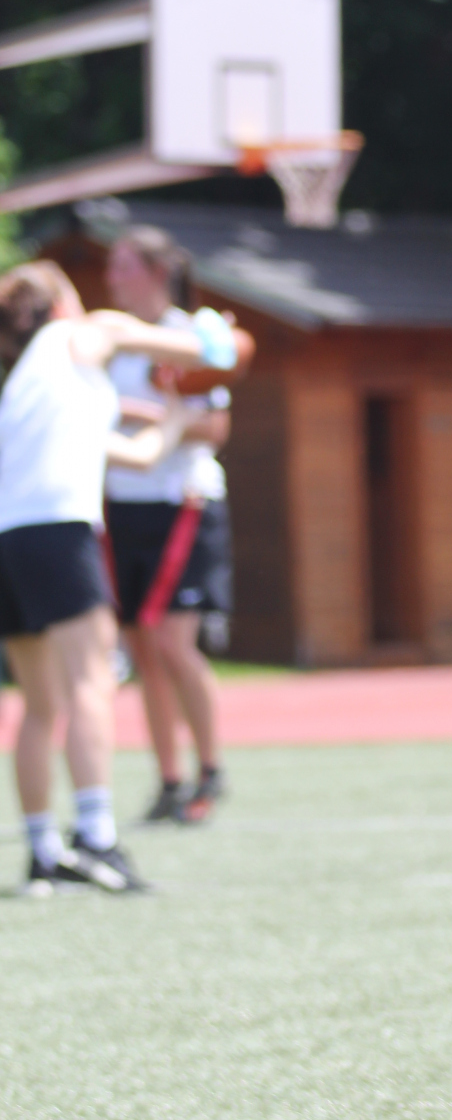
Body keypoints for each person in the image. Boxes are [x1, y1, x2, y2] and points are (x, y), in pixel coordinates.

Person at [0, 262, 235, 896]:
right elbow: (210, 352)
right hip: (57, 531)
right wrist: (218, 330)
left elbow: (140, 454)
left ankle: (43, 853)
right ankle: (96, 838)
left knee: (40, 704)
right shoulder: (87, 332)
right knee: (90, 681)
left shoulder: (32, 384)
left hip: (8, 539)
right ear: (58, 304)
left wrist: (173, 418)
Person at [103, 226, 233, 824]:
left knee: (173, 644)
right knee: (143, 652)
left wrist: (147, 418)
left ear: (157, 273)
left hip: (183, 502)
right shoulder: (113, 341)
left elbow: (214, 428)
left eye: (123, 266)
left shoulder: (192, 336)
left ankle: (211, 769)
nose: (112, 278)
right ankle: (169, 780)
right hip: (123, 505)